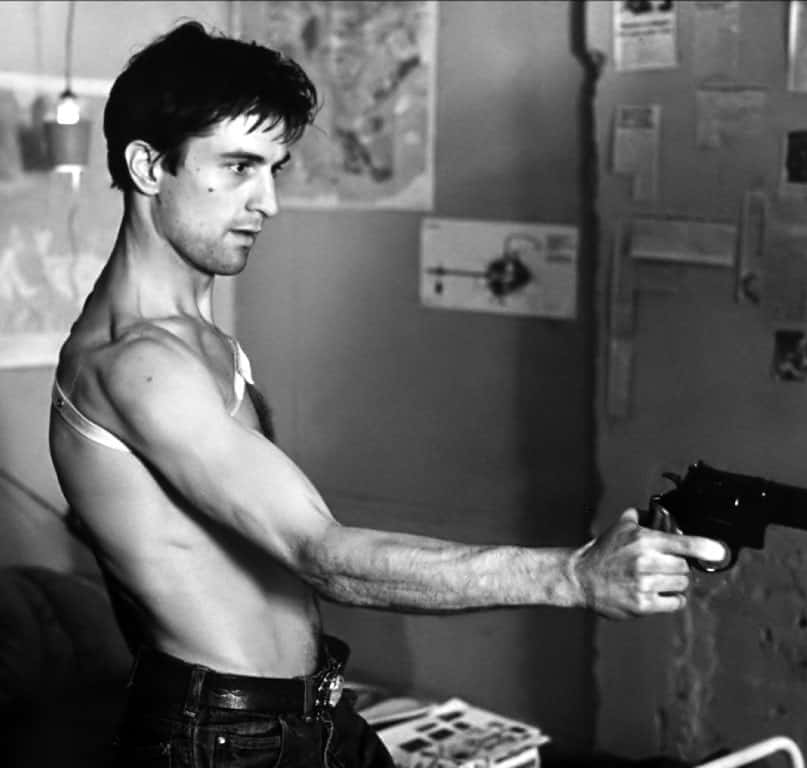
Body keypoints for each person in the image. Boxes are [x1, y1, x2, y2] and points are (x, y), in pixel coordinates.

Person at [48, 21, 726, 768]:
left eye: (274, 169)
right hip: (225, 740)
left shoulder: (193, 334)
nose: (267, 202)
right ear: (148, 166)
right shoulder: (136, 363)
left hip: (305, 715)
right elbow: (322, 555)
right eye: (238, 167)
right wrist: (573, 576)